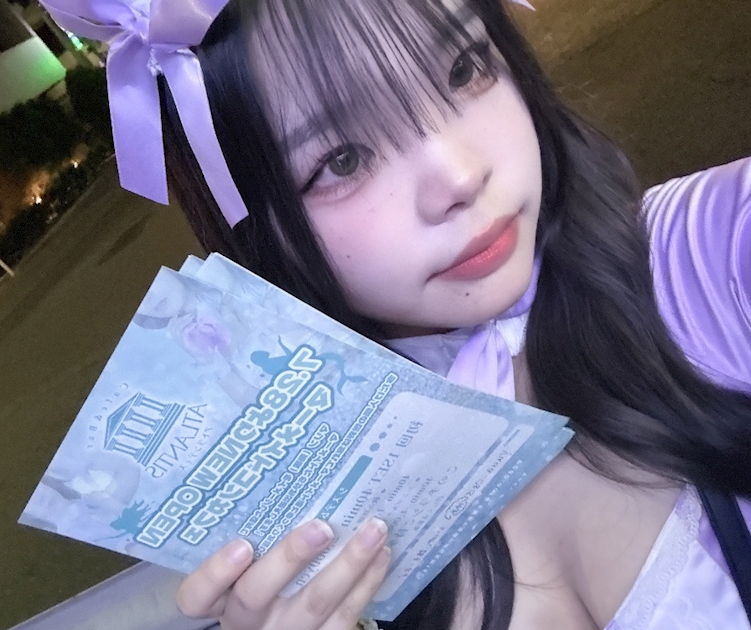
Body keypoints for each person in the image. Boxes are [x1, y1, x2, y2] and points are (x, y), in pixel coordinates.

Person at [41, 0, 751, 628]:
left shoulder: (699, 260)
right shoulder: (306, 521)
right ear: (259, 228)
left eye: (465, 68)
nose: (460, 176)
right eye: (343, 160)